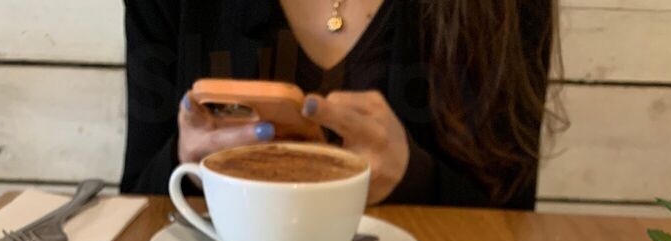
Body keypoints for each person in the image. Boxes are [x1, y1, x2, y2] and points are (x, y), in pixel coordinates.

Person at [121, 0, 556, 209]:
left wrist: (414, 178)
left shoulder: (503, 10)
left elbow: (514, 226)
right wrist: (187, 163)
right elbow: (136, 198)